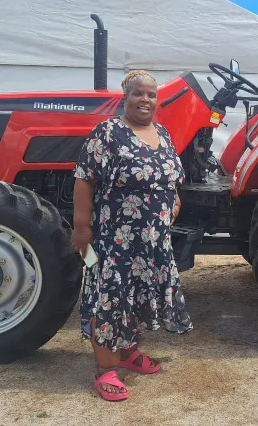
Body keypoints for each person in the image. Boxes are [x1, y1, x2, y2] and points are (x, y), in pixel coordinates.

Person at [71, 70, 193, 401]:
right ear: (125, 97)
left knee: (137, 296)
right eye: (139, 93)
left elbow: (170, 177)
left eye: (152, 95)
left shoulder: (163, 134)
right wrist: (82, 227)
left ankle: (127, 353)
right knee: (111, 297)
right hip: (116, 239)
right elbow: (85, 179)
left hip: (153, 239)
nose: (145, 100)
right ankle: (106, 368)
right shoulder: (108, 132)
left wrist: (174, 199)